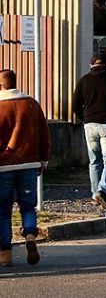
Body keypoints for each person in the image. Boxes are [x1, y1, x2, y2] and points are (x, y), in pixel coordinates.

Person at [0, 69, 50, 267]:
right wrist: (43, 161)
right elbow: (44, 135)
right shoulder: (31, 104)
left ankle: (5, 254)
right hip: (29, 164)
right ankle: (30, 234)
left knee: (3, 210)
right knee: (28, 206)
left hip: (3, 166)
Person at [72, 53, 106, 209]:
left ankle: (95, 195)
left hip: (90, 124)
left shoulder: (84, 81)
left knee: (94, 161)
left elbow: (76, 104)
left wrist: (84, 118)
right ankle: (102, 191)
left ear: (91, 65)